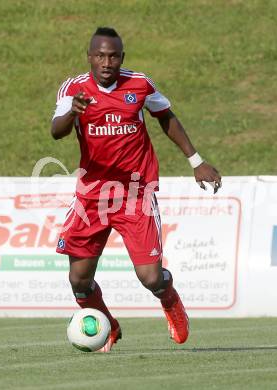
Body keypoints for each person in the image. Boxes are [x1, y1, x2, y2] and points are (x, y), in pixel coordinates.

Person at [51, 27, 221, 352]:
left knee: (152, 278)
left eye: (113, 56)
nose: (106, 62)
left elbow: (165, 116)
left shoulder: (139, 84)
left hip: (135, 194)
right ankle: (107, 325)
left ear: (121, 58)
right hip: (92, 197)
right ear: (89, 57)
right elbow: (56, 132)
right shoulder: (74, 90)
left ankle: (170, 301)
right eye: (100, 55)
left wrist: (196, 160)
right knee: (79, 281)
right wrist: (73, 111)